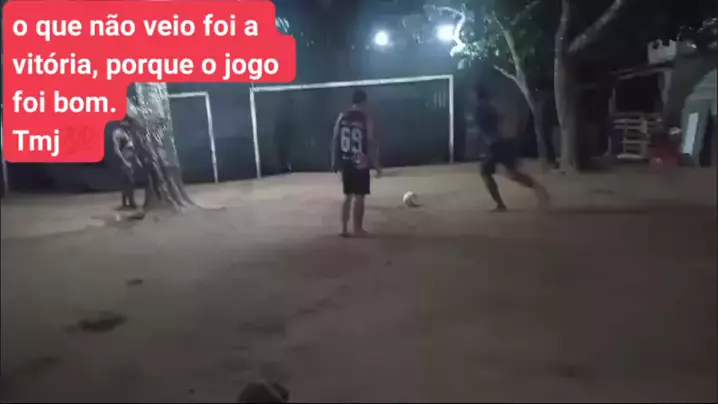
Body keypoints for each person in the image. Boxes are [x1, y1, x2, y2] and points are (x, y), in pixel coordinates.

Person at [474, 84, 550, 212]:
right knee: (512, 174)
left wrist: (493, 136)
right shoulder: (489, 106)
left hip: (497, 144)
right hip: (502, 143)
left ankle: (501, 204)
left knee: (488, 172)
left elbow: (489, 125)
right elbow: (500, 120)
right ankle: (538, 189)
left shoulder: (481, 108)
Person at [331, 89, 382, 237]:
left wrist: (334, 160)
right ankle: (358, 229)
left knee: (348, 196)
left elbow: (335, 139)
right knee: (359, 196)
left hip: (346, 161)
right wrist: (376, 164)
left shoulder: (342, 117)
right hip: (361, 162)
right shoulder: (366, 118)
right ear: (364, 102)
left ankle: (344, 228)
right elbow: (370, 142)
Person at [112, 116, 140, 210]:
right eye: (127, 122)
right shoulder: (118, 133)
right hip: (124, 157)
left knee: (126, 181)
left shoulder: (128, 132)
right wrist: (124, 160)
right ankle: (131, 202)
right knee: (129, 180)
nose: (129, 125)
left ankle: (125, 202)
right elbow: (117, 148)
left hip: (129, 157)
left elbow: (131, 146)